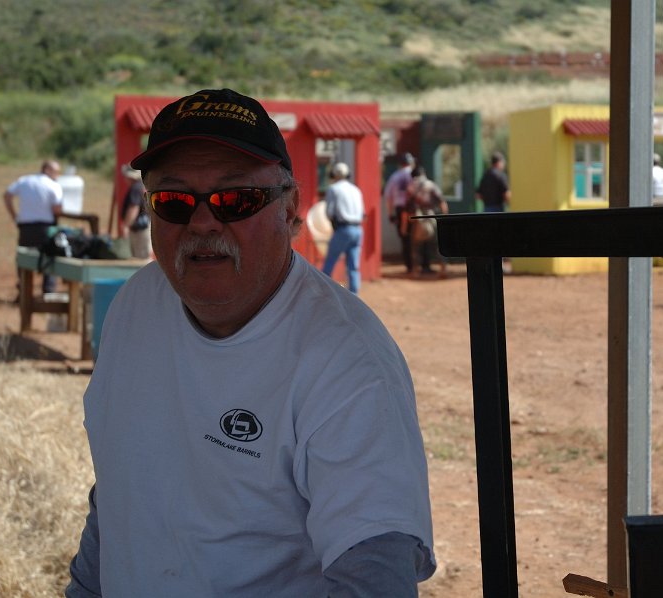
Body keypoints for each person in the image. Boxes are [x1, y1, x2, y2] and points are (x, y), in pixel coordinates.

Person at [66, 88, 435, 597]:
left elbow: (374, 572)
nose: (202, 222)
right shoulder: (135, 307)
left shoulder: (346, 360)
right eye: (173, 202)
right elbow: (117, 495)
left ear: (290, 208)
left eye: (235, 199)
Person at [3, 160, 64, 293]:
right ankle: (48, 290)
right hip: (45, 227)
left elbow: (7, 195)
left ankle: (24, 289)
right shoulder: (53, 185)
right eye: (56, 172)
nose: (57, 175)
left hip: (25, 227)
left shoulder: (25, 181)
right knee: (50, 256)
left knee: (24, 258)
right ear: (47, 170)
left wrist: (14, 216)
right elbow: (57, 209)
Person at [321, 162, 364, 293]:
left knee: (330, 261)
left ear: (334, 174)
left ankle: (323, 291)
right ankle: (354, 294)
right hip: (358, 229)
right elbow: (362, 212)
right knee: (353, 266)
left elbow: (329, 212)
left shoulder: (333, 189)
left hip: (343, 229)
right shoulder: (356, 189)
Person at [407, 166, 448, 278]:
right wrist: (445, 218)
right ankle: (443, 268)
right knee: (437, 244)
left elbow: (408, 205)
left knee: (415, 246)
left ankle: (415, 270)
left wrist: (406, 222)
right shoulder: (430, 185)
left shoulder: (410, 186)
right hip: (431, 216)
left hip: (417, 217)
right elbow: (442, 201)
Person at [383, 152, 416, 274]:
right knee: (418, 235)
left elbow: (388, 196)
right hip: (413, 210)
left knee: (404, 237)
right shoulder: (414, 175)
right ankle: (422, 264)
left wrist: (390, 214)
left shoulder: (395, 176)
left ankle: (409, 265)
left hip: (400, 209)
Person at [119, 165, 152, 259]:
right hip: (141, 228)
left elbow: (133, 208)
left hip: (139, 230)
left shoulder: (135, 188)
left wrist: (126, 226)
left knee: (141, 260)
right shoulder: (140, 186)